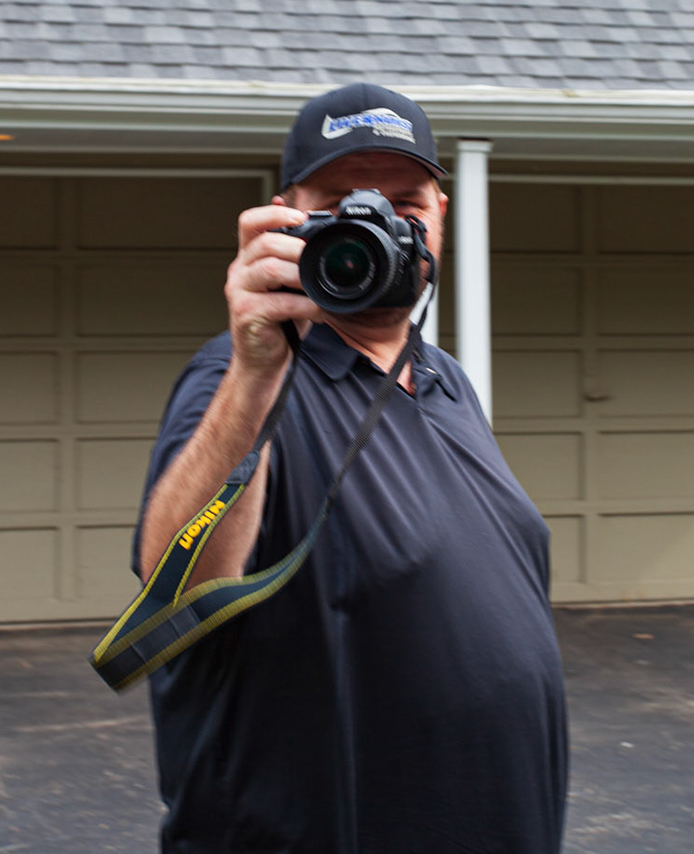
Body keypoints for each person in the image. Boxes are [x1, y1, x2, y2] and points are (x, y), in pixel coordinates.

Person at [135, 83, 568, 853]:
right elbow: (176, 595)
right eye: (342, 204)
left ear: (440, 215)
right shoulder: (238, 378)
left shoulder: (444, 379)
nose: (379, 224)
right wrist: (255, 373)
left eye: (406, 204)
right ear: (286, 219)